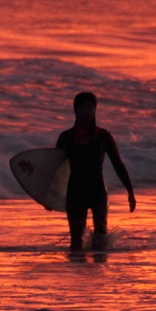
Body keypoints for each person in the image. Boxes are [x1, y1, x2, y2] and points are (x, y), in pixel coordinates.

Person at [55, 92, 136, 251]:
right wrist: (48, 196)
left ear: (95, 110)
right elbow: (54, 168)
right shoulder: (66, 137)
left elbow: (117, 164)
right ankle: (78, 274)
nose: (86, 111)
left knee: (100, 238)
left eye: (90, 107)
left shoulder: (103, 136)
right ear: (75, 110)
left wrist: (130, 191)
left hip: (97, 190)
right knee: (76, 241)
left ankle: (99, 274)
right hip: (75, 192)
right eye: (82, 107)